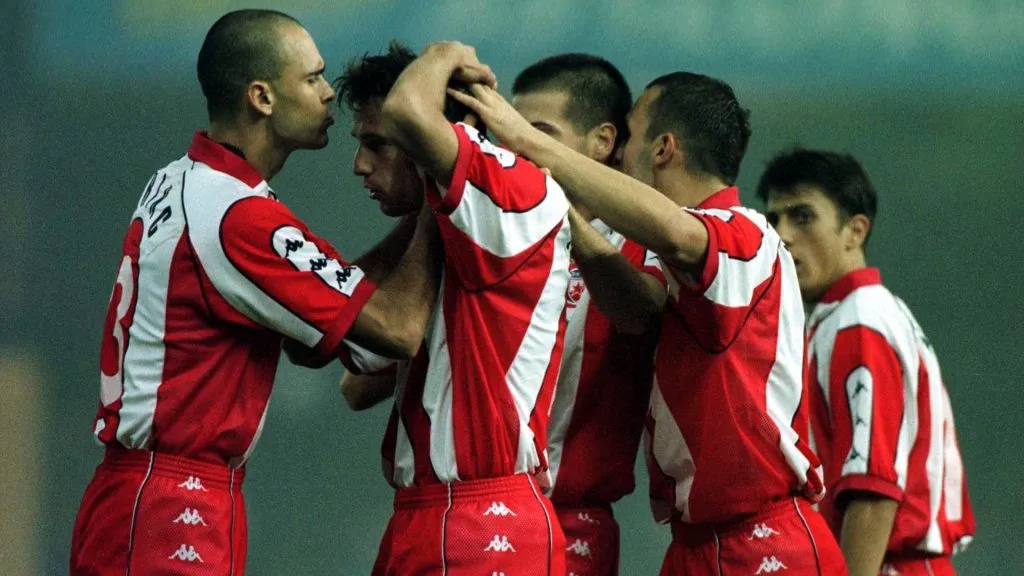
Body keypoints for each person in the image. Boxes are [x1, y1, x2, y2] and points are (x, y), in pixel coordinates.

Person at [69, 11, 438, 575]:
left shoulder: (187, 179)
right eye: (312, 79)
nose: (326, 96)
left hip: (165, 495)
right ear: (262, 97)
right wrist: (447, 190)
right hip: (169, 504)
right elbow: (398, 328)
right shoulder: (239, 219)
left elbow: (321, 336)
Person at [451, 70, 847, 574]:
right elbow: (641, 302)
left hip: (763, 539)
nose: (619, 154)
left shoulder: (742, 232)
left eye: (630, 136)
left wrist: (528, 143)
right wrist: (560, 207)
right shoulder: (667, 257)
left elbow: (676, 235)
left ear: (662, 149)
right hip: (694, 541)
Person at [339, 41, 573, 575]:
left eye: (378, 145)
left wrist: (447, 52)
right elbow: (351, 355)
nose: (360, 165)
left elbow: (407, 111)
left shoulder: (515, 188)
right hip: (420, 515)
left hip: (488, 517)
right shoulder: (442, 228)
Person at [758, 149, 976, 576]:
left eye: (802, 216)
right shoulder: (844, 318)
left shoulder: (859, 324)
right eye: (774, 219)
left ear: (855, 231)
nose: (782, 234)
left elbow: (873, 491)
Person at [511, 53, 666, 576]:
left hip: (571, 523)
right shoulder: (501, 233)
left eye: (537, 133)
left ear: (602, 140)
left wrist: (559, 214)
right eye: (507, 132)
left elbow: (641, 314)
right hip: (480, 512)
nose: (516, 148)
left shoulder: (644, 239)